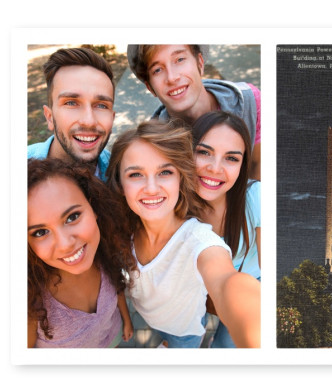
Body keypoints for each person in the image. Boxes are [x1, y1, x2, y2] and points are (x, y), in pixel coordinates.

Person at [105, 120, 260, 348]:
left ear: (181, 178)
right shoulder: (122, 229)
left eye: (165, 172)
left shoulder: (199, 241)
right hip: (153, 321)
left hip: (185, 333)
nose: (151, 188)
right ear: (120, 182)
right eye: (136, 174)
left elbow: (226, 281)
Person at [27, 158, 135, 348]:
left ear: (93, 208)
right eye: (40, 232)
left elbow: (117, 288)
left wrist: (126, 318)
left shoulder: (103, 252)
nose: (65, 244)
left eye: (73, 217)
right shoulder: (29, 302)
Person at [126, 44, 261, 180]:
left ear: (200, 63)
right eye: (157, 70)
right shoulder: (154, 144)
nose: (172, 78)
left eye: (179, 60)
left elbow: (258, 167)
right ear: (150, 88)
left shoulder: (249, 102)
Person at [192, 111, 260, 348]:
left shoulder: (256, 197)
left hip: (250, 287)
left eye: (231, 158)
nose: (215, 168)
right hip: (196, 293)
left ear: (242, 165)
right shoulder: (172, 202)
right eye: (204, 152)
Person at [27, 47, 116, 181]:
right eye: (71, 103)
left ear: (112, 118)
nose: (89, 121)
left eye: (102, 105)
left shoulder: (121, 175)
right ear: (49, 117)